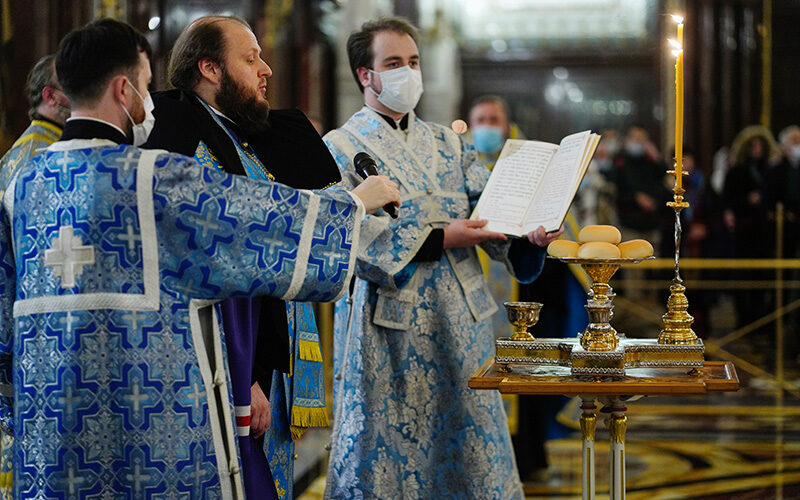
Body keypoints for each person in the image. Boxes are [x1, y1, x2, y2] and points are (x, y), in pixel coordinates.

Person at [0, 18, 398, 498]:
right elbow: (256, 223)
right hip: (148, 420)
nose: (151, 102)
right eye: (147, 87)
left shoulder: (22, 185)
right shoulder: (156, 176)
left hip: (53, 429)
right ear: (124, 90)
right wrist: (352, 205)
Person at [323, 17, 562, 498]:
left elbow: (488, 211)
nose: (407, 73)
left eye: (413, 62)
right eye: (393, 63)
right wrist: (440, 238)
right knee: (394, 457)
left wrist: (527, 234)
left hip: (462, 324)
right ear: (364, 75)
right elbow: (346, 235)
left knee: (471, 462)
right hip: (389, 331)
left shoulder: (450, 143)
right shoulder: (337, 147)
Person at [142, 16, 353, 498]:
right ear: (211, 69)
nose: (267, 71)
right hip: (230, 375)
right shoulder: (190, 149)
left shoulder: (237, 138)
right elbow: (219, 274)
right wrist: (246, 380)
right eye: (251, 58)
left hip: (264, 366)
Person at [723, 125, 781, 348]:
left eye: (760, 145)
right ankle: (744, 322)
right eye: (753, 145)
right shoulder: (736, 171)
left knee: (763, 279)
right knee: (743, 278)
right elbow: (728, 200)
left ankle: (761, 323)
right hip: (744, 232)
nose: (757, 149)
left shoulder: (771, 170)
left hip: (766, 233)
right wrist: (747, 201)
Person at [0, 54, 70, 193]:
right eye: (70, 87)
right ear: (50, 96)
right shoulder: (35, 154)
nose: (80, 94)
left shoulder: (50, 140)